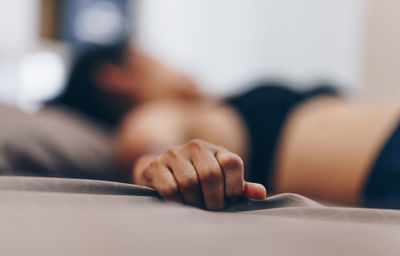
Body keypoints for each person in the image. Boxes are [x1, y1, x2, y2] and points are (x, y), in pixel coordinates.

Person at [53, 40, 400, 210]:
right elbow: (150, 146)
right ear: (116, 79)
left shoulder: (211, 105)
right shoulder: (152, 113)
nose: (167, 62)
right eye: (147, 56)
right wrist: (161, 166)